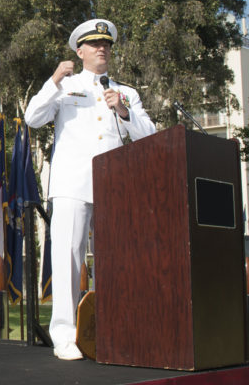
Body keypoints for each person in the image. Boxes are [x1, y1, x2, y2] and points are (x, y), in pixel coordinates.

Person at [25, 19, 156, 360]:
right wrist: (53, 80)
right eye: (95, 45)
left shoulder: (126, 92)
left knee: (118, 262)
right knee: (68, 258)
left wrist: (123, 109)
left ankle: (116, 329)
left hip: (114, 187)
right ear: (80, 51)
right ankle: (65, 336)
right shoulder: (65, 87)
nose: (103, 49)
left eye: (107, 45)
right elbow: (32, 117)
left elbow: (149, 135)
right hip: (73, 183)